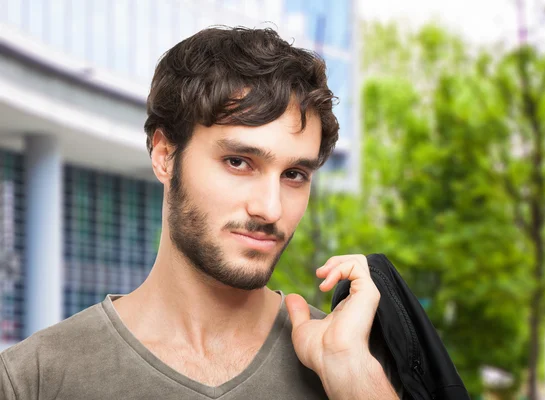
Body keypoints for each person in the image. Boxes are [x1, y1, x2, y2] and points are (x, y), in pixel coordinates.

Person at [0, 27, 399, 399]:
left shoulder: (357, 364)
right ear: (164, 155)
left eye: (294, 174)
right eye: (238, 162)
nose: (270, 208)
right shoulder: (32, 378)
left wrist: (355, 379)